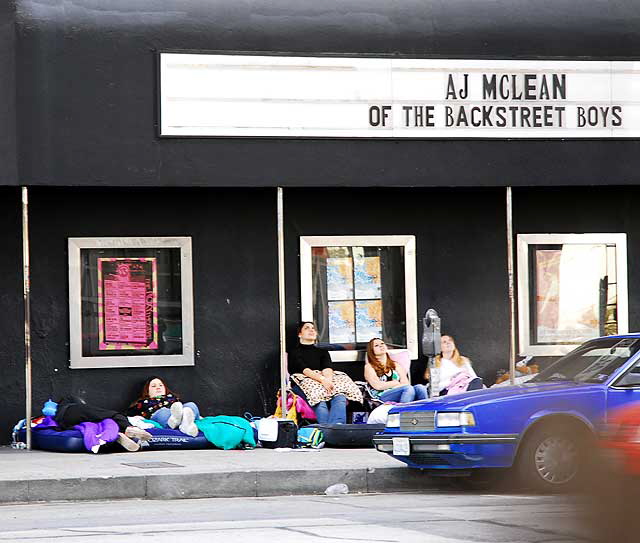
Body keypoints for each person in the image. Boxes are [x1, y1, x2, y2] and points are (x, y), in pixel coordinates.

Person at [288, 321, 348, 424]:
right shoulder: (294, 352)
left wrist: (328, 381)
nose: (311, 330)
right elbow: (304, 370)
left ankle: (337, 428)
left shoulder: (322, 352)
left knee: (339, 396)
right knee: (319, 400)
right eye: (307, 328)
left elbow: (327, 368)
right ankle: (326, 431)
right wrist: (322, 380)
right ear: (300, 334)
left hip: (323, 381)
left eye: (313, 328)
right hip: (303, 383)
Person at [126, 377, 201, 437]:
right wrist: (138, 417)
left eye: (161, 385)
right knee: (163, 411)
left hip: (180, 412)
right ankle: (174, 421)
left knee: (190, 405)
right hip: (161, 415)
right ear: (147, 391)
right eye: (153, 386)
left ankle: (185, 423)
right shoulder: (143, 402)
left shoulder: (173, 397)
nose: (158, 387)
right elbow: (130, 414)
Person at [365, 338, 428, 403]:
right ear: (371, 350)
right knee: (408, 389)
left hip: (401, 390)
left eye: (382, 344)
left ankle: (426, 411)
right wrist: (395, 383)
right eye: (376, 345)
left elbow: (406, 383)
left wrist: (395, 386)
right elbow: (378, 386)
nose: (381, 346)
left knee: (420, 388)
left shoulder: (395, 365)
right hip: (382, 396)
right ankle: (403, 411)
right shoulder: (369, 367)